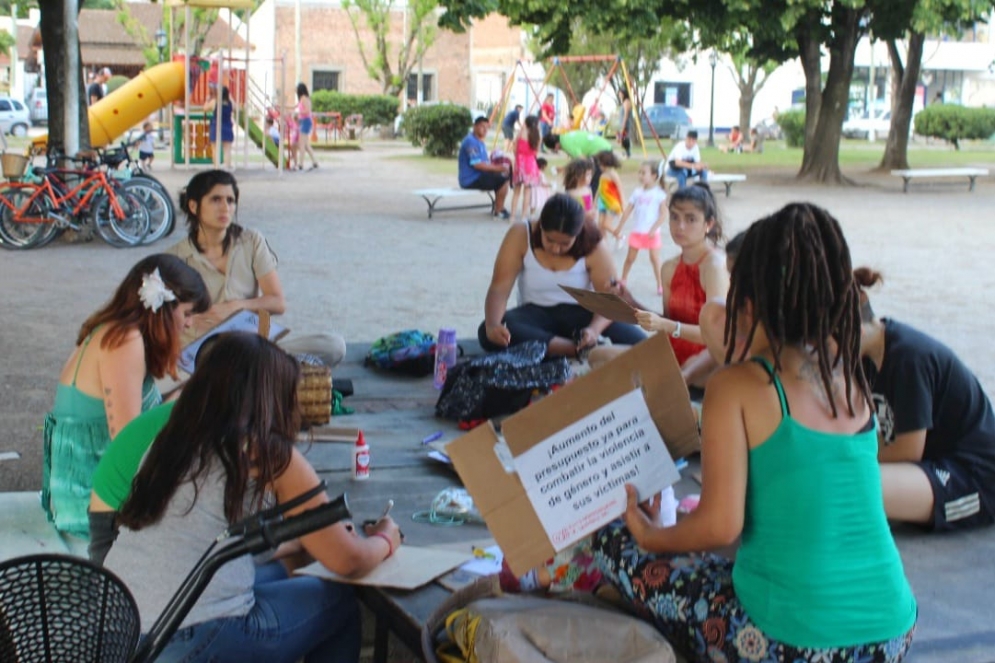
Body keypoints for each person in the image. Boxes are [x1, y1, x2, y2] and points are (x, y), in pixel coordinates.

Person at [593, 202, 917, 663]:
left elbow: (721, 526)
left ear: (747, 300)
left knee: (612, 542)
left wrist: (650, 537)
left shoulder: (738, 385)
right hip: (891, 633)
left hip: (793, 642)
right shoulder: (845, 375)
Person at [104, 332, 402, 662]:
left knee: (285, 568)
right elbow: (348, 560)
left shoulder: (171, 441)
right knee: (338, 601)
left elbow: (216, 540)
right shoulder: (268, 454)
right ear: (271, 397)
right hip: (191, 639)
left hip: (120, 633)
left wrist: (301, 543)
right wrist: (387, 539)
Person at [42, 254, 210, 538]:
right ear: (163, 309)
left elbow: (143, 417)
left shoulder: (121, 332)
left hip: (92, 485)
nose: (189, 324)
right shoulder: (124, 341)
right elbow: (129, 445)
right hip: (87, 499)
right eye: (187, 313)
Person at [856, 268, 995, 531]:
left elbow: (908, 451)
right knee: (847, 477)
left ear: (856, 332)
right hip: (929, 466)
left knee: (854, 483)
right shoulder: (864, 357)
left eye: (827, 343)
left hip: (972, 475)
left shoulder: (909, 357)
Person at [167, 169, 347, 368]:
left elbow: (277, 302)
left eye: (231, 200)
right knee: (217, 360)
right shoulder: (175, 258)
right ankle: (260, 370)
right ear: (193, 206)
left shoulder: (251, 241)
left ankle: (260, 367)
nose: (225, 208)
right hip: (204, 355)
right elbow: (166, 321)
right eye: (215, 200)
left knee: (333, 345)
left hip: (254, 346)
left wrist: (236, 307)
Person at [478, 193, 645, 359]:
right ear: (540, 226)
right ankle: (576, 349)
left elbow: (610, 301)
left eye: (565, 243)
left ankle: (566, 347)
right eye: (549, 240)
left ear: (578, 234)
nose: (556, 249)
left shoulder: (594, 243)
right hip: (534, 316)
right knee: (489, 332)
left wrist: (594, 330)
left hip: (581, 314)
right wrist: (493, 325)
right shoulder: (521, 234)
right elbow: (499, 288)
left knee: (641, 342)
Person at [594, 184, 727, 389]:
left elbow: (716, 334)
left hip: (706, 358)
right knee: (597, 356)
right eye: (674, 217)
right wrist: (631, 302)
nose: (680, 226)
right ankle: (665, 380)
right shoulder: (670, 267)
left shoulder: (714, 265)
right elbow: (667, 323)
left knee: (695, 371)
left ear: (708, 224)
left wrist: (667, 326)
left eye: (690, 219)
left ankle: (669, 382)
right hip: (671, 353)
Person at [614, 161, 668, 293]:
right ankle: (623, 279)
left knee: (655, 259)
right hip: (637, 232)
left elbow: (663, 214)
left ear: (654, 176)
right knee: (630, 258)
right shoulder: (637, 192)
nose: (640, 175)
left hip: (652, 234)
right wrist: (619, 227)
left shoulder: (659, 194)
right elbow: (628, 210)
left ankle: (660, 284)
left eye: (644, 173)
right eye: (640, 172)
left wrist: (653, 229)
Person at [458, 116, 511, 219]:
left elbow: (485, 162)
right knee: (503, 180)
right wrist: (499, 168)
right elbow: (478, 165)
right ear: (474, 126)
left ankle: (499, 207)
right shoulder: (471, 141)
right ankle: (499, 210)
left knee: (503, 176)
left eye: (487, 127)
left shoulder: (480, 142)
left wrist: (499, 166)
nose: (485, 129)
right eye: (482, 126)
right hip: (470, 179)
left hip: (479, 176)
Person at [511, 115, 541, 224]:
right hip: (531, 165)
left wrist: (518, 157)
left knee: (516, 192)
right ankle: (524, 216)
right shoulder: (537, 136)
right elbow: (536, 151)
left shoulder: (520, 133)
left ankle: (512, 216)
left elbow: (514, 149)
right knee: (527, 192)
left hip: (519, 164)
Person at [594, 151, 624, 240]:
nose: (599, 166)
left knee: (606, 224)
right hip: (602, 202)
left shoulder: (613, 174)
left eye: (600, 164)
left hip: (611, 203)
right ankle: (604, 244)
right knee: (600, 225)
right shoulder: (602, 175)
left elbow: (620, 188)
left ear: (605, 163)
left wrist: (622, 203)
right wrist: (595, 200)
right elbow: (599, 189)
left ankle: (620, 236)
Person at [206, 85, 235, 170]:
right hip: (227, 127)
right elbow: (236, 107)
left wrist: (207, 100)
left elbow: (205, 108)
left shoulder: (214, 102)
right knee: (227, 150)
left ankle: (216, 167)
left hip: (216, 127)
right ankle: (227, 167)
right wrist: (231, 97)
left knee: (215, 149)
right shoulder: (230, 103)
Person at [562, 158, 595, 224]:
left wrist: (593, 211)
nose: (590, 177)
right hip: (578, 223)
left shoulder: (588, 189)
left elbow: (590, 204)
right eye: (587, 174)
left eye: (591, 174)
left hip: (589, 222)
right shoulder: (570, 193)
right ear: (577, 175)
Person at [295, 82, 319, 170]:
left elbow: (307, 111)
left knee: (301, 144)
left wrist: (298, 112)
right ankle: (315, 162)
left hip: (306, 121)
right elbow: (295, 107)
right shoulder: (302, 99)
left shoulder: (304, 99)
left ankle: (300, 164)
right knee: (306, 145)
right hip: (304, 121)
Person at [542, 130, 613, 159]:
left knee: (593, 178)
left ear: (556, 145)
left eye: (553, 149)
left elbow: (583, 160)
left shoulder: (567, 144)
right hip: (605, 146)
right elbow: (576, 158)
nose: (556, 150)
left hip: (602, 152)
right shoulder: (565, 137)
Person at [617, 89, 633, 159]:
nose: (619, 95)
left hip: (625, 123)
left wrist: (624, 124)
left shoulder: (627, 102)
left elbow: (626, 114)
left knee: (624, 138)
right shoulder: (623, 102)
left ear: (624, 94)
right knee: (620, 138)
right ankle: (626, 152)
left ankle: (628, 153)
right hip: (621, 123)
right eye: (619, 94)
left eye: (620, 93)